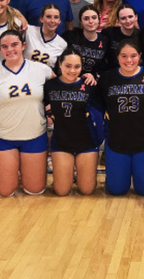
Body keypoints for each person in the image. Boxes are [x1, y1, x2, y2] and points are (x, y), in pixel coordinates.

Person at [0, 30, 55, 197]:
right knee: (4, 192)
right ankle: (6, 173)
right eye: (4, 46)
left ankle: (20, 171)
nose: (10, 49)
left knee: (35, 190)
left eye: (14, 45)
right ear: (0, 49)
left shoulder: (42, 70)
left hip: (34, 136)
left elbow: (62, 90)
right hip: (3, 138)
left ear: (23, 46)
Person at [98, 40, 144, 196]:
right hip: (117, 142)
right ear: (117, 57)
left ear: (140, 56)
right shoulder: (107, 78)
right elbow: (98, 107)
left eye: (133, 56)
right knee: (116, 190)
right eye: (124, 56)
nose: (129, 60)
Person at [44, 48, 104, 196]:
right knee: (62, 191)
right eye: (68, 66)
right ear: (60, 65)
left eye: (77, 67)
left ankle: (80, 174)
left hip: (87, 142)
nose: (72, 70)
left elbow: (102, 108)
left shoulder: (89, 84)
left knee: (87, 190)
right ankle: (65, 175)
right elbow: (43, 107)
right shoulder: (50, 86)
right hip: (62, 142)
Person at [66, 5, 109, 78]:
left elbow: (105, 67)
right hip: (71, 78)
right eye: (86, 19)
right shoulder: (71, 36)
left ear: (99, 20)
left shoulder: (105, 41)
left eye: (94, 18)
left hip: (93, 82)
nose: (91, 21)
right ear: (81, 22)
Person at [24, 3, 68, 71]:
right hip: (24, 77)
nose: (52, 21)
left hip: (46, 80)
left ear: (59, 21)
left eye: (56, 17)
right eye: (48, 17)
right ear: (41, 19)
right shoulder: (29, 31)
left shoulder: (62, 44)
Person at [103, 5, 140, 70]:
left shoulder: (141, 35)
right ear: (118, 20)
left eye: (130, 17)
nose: (128, 21)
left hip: (134, 73)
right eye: (123, 18)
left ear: (136, 17)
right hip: (112, 72)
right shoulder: (108, 33)